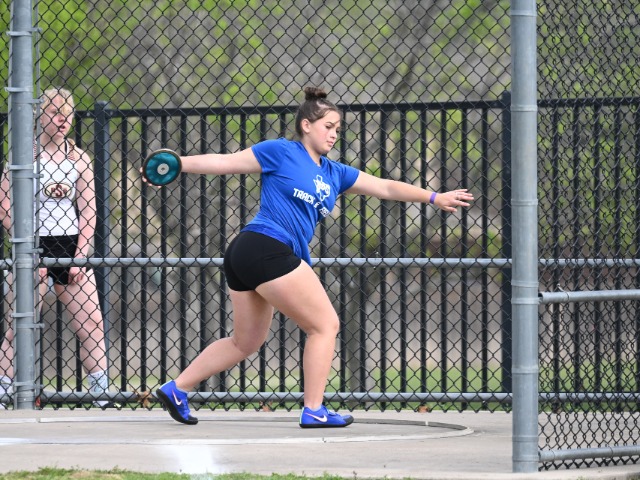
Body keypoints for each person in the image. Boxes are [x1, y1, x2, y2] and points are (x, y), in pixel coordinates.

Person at [153, 86, 474, 427]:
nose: (334, 134)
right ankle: (314, 410)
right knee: (325, 325)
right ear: (306, 125)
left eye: (338, 128)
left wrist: (433, 197)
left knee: (245, 342)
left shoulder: (335, 173)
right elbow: (225, 162)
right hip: (264, 245)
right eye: (328, 126)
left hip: (252, 253)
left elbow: (385, 187)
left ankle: (177, 388)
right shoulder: (281, 152)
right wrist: (178, 163)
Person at [0, 87, 113, 408]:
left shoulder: (79, 158)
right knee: (17, 326)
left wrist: (80, 256)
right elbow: (5, 204)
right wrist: (29, 250)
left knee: (92, 323)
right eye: (55, 112)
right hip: (32, 247)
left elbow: (89, 211)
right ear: (40, 115)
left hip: (70, 245)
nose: (62, 119)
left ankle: (101, 395)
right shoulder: (24, 156)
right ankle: (3, 393)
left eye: (67, 113)